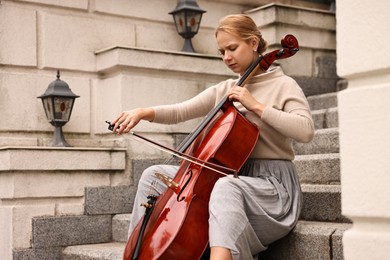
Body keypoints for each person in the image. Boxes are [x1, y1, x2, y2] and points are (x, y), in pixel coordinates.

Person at [111, 14, 314, 260]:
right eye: (221, 52)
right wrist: (142, 113)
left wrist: (256, 106)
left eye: (232, 48)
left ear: (252, 43)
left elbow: (305, 130)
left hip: (273, 189)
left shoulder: (284, 85)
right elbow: (181, 110)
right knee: (152, 177)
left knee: (225, 185)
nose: (226, 57)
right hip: (232, 178)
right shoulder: (227, 88)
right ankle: (139, 254)